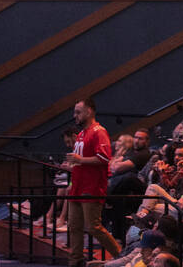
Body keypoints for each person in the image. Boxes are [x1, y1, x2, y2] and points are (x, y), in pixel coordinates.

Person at [64, 98, 122, 267]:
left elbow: (104, 158)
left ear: (89, 111)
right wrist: (72, 165)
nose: (75, 116)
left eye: (78, 112)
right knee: (74, 226)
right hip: (78, 186)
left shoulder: (99, 131)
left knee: (93, 227)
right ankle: (75, 261)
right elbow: (80, 161)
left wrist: (79, 160)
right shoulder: (81, 133)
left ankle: (122, 256)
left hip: (91, 186)